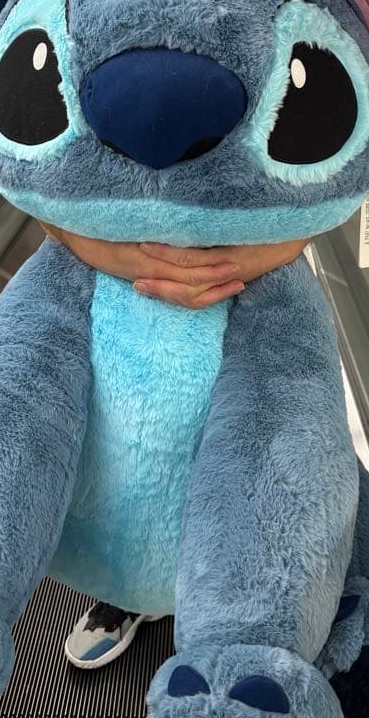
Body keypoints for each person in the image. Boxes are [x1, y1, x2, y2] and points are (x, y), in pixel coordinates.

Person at [40, 223, 310, 667]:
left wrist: (251, 259)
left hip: (258, 291)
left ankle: (231, 619)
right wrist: (118, 257)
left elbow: (351, 186)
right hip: (118, 286)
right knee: (131, 454)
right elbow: (25, 187)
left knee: (249, 464)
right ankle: (127, 592)